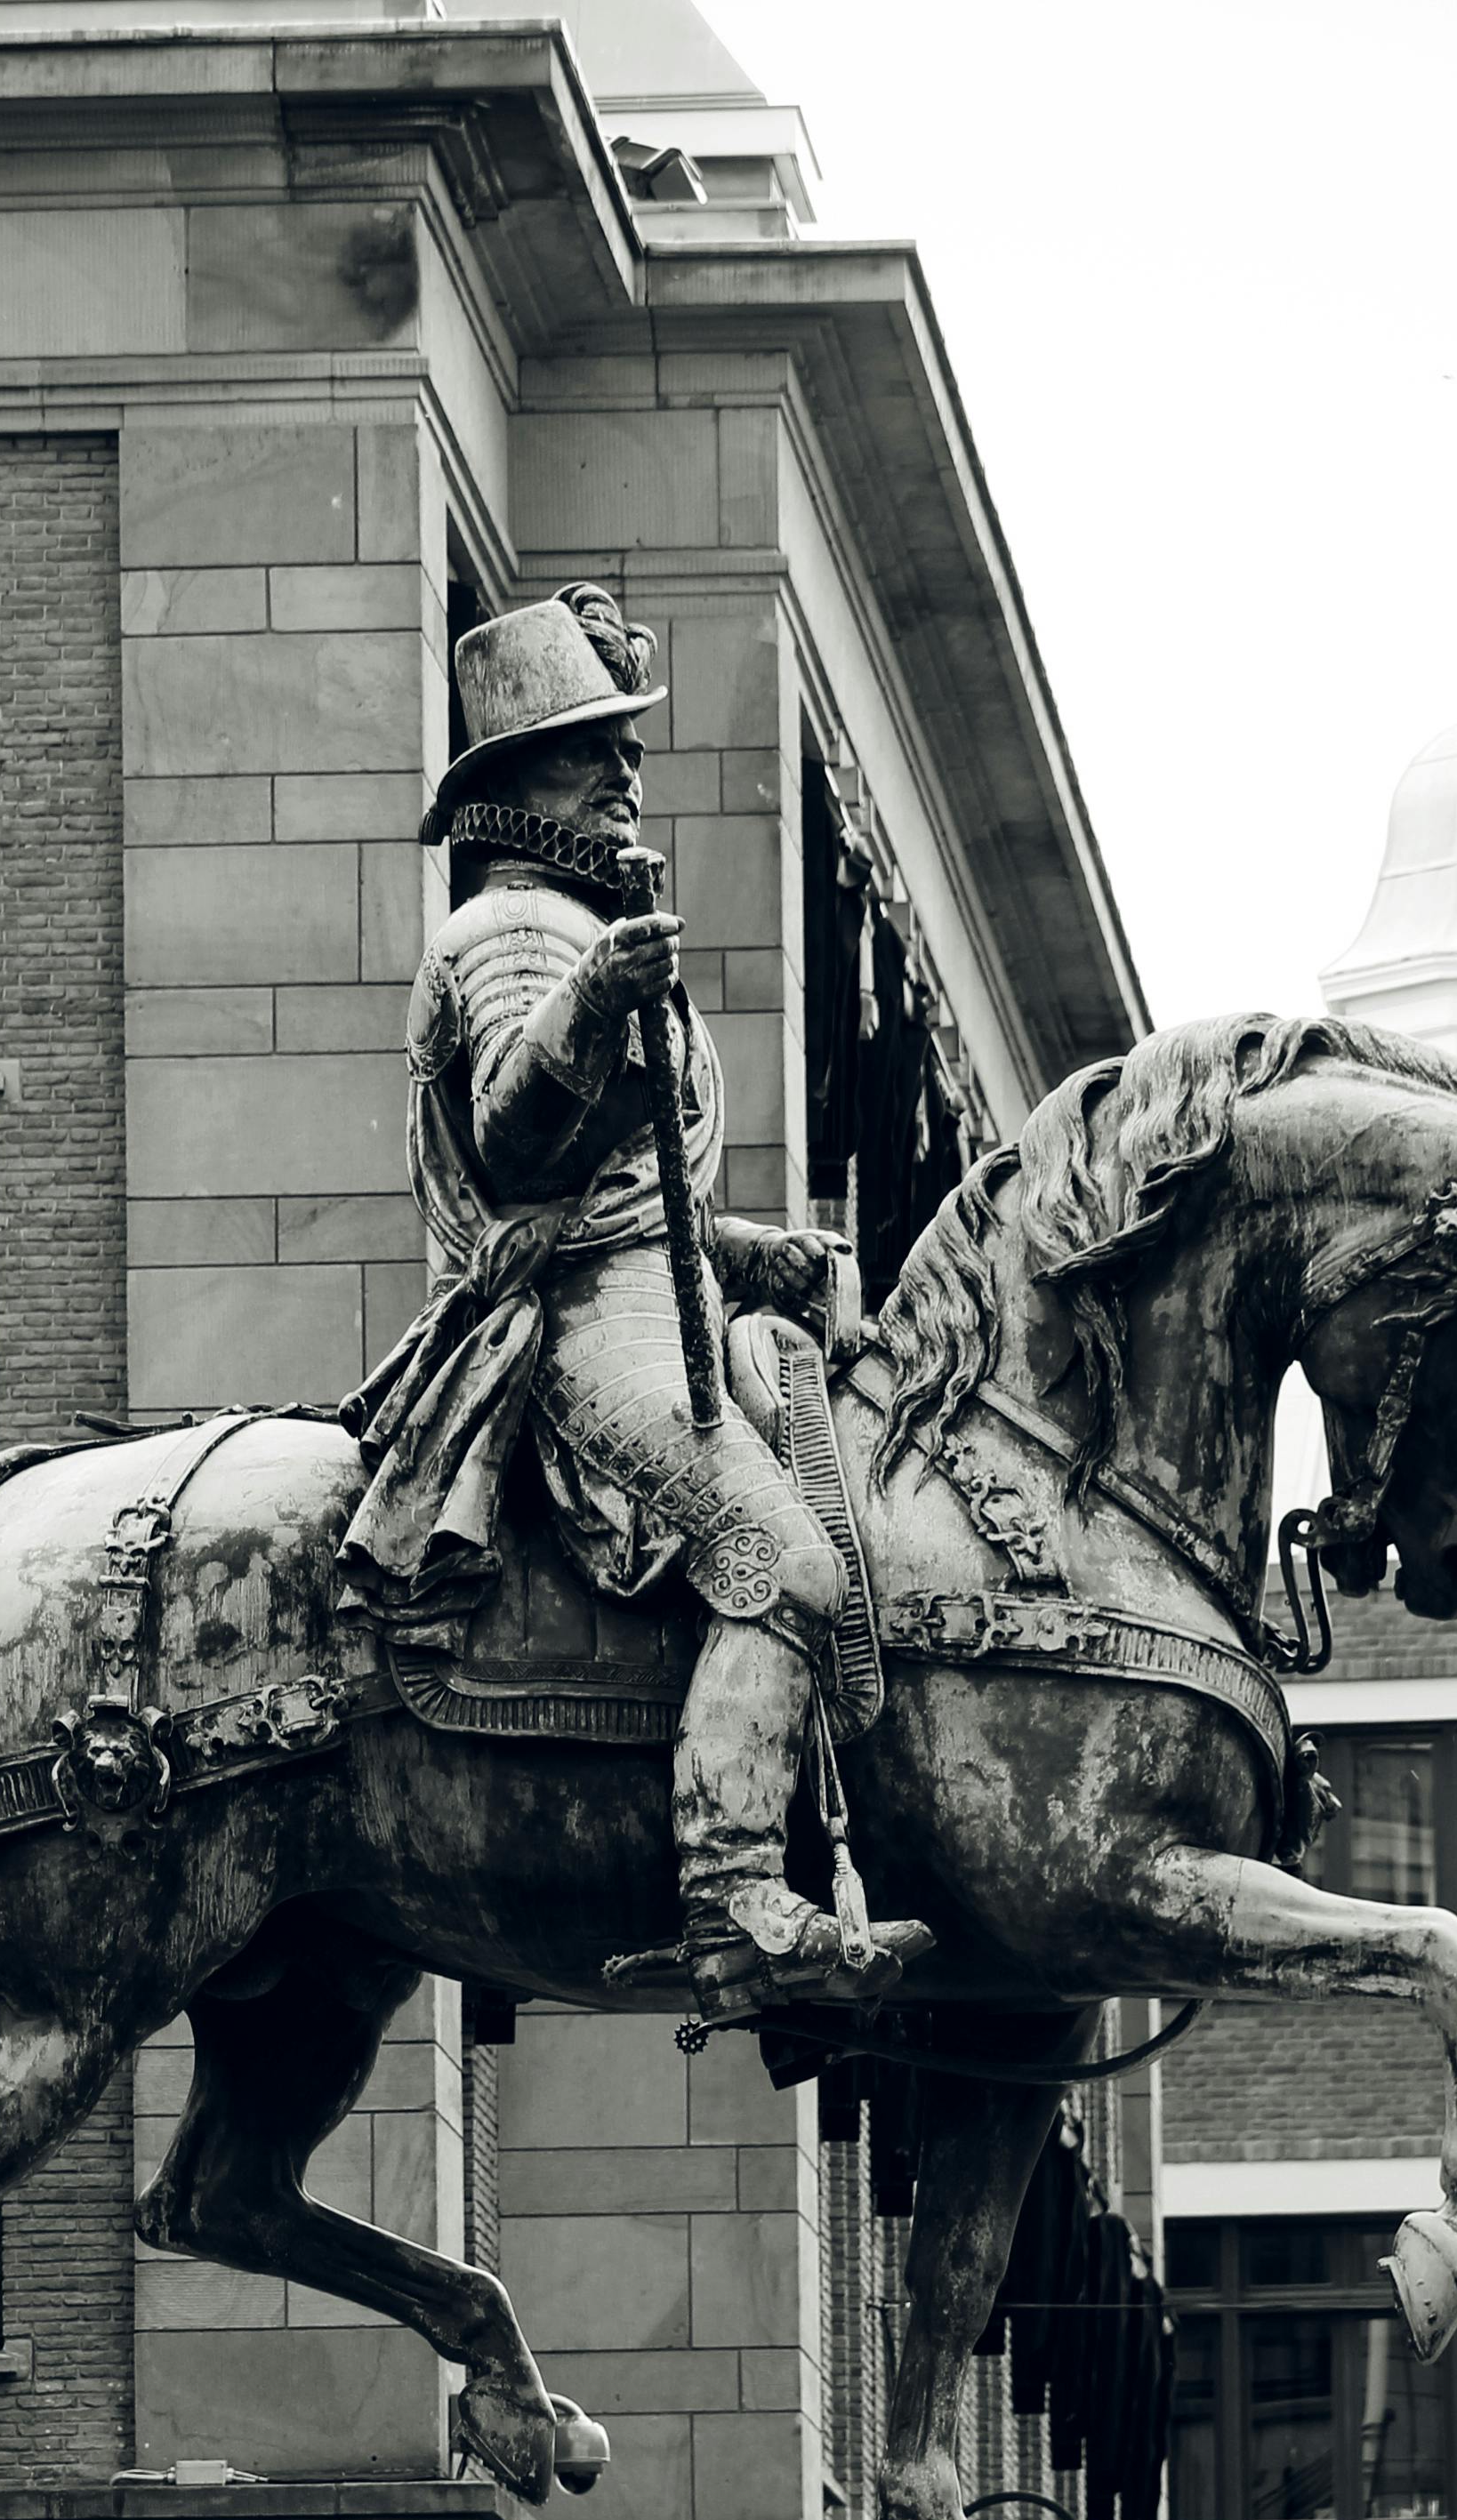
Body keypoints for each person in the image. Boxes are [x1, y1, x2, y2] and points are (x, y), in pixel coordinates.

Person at [340, 584, 930, 2022]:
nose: (623, 770)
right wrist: (594, 996)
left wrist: (753, 1253)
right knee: (787, 1565)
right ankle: (732, 1897)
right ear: (513, 780)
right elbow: (514, 1142)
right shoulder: (518, 931)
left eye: (626, 746)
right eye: (587, 747)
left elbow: (630, 1201)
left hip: (646, 1300)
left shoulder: (587, 918)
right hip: (574, 1340)